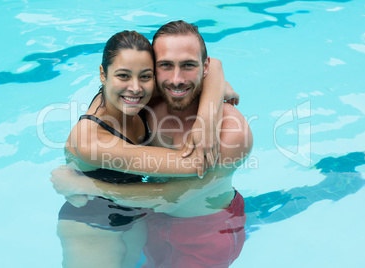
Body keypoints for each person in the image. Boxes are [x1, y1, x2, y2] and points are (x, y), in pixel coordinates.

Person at [53, 28, 238, 268]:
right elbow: (195, 163)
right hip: (91, 225)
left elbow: (213, 66)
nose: (135, 88)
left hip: (136, 213)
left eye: (146, 76)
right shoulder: (91, 141)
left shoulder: (138, 95)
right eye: (122, 75)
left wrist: (207, 116)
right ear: (103, 74)